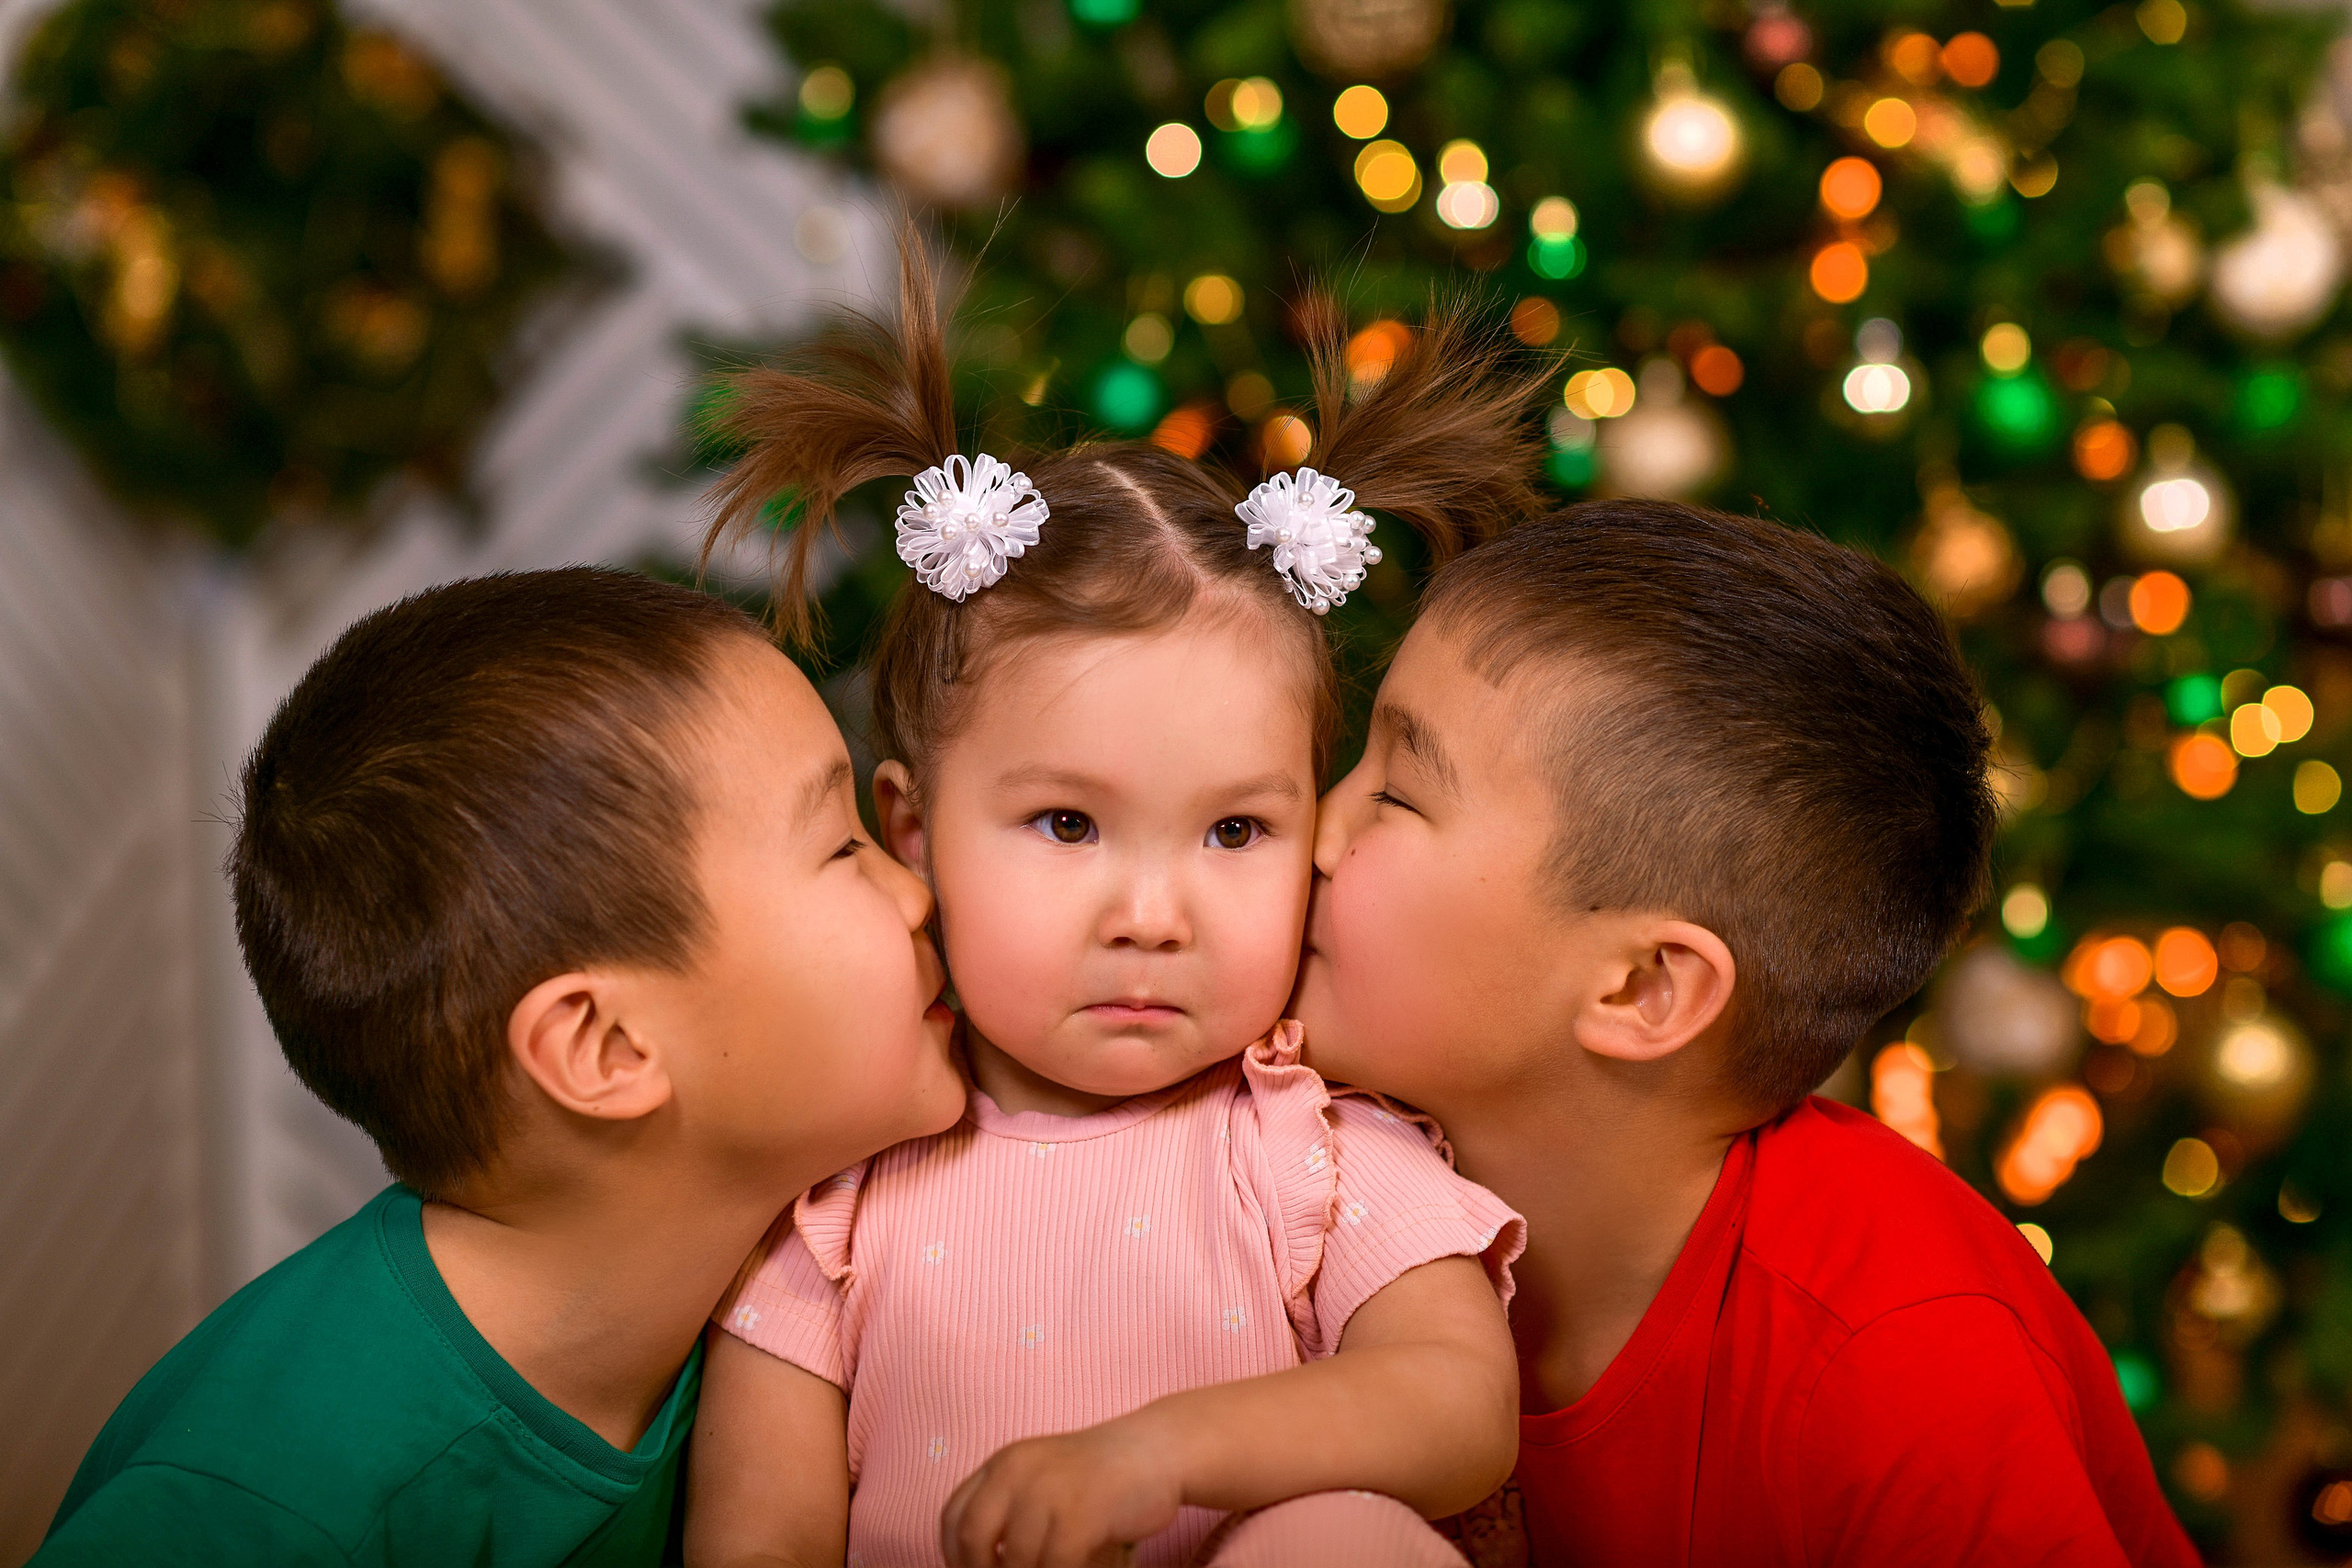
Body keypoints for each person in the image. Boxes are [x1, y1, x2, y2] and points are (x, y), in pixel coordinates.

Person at [684, 240, 1548, 1568]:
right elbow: (761, 1533)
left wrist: (1162, 1449)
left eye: (1236, 829)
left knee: (1338, 1536)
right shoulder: (840, 1190)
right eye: (1069, 823)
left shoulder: (1308, 1143)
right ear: (913, 834)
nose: (1154, 914)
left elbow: (1459, 1406)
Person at [1293, 502, 2200, 1567]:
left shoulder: (1907, 1366)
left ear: (1642, 989)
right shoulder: (1275, 1148)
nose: (1311, 828)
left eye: (1395, 795)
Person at [35, 568, 967, 1567]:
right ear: (605, 1049)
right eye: (839, 849)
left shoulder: (803, 1267)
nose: (919, 891)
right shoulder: (278, 1497)